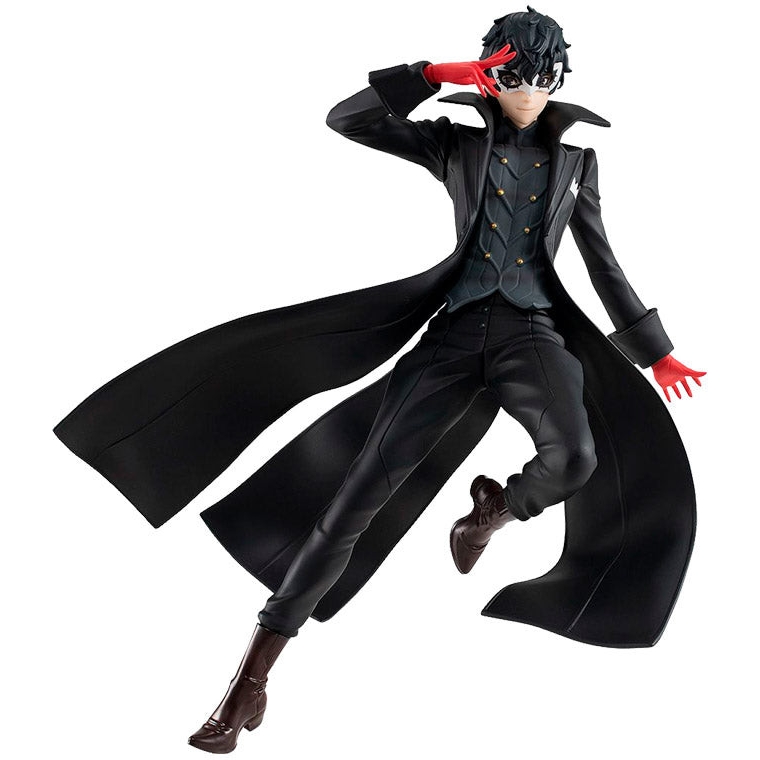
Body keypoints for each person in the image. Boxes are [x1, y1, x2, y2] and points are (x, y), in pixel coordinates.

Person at [53, 8, 704, 754]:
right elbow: (350, 119)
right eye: (512, 76)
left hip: (533, 336)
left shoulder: (578, 164)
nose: (528, 92)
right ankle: (247, 684)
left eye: (542, 78)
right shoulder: (454, 144)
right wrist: (432, 75)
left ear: (559, 81)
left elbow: (603, 262)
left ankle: (491, 511)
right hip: (452, 337)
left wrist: (655, 351)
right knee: (350, 506)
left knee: (576, 456)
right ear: (490, 76)